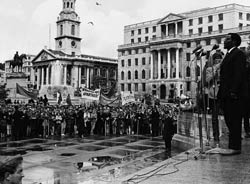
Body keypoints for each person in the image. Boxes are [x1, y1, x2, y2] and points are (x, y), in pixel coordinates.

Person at [217, 33, 248, 155]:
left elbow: (238, 74)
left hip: (233, 95)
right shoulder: (229, 54)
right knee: (229, 119)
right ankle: (232, 146)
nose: (224, 41)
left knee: (234, 120)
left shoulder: (238, 54)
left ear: (234, 41)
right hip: (226, 93)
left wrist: (233, 91)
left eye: (227, 39)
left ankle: (235, 147)